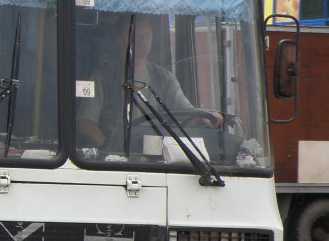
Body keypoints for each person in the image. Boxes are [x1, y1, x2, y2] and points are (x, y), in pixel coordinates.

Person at [77, 16, 222, 148]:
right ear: (119, 40)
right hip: (117, 157)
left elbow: (187, 116)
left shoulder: (164, 78)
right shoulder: (103, 77)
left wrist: (205, 117)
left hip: (156, 155)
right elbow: (86, 124)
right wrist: (111, 150)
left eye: (146, 36)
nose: (142, 42)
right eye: (135, 36)